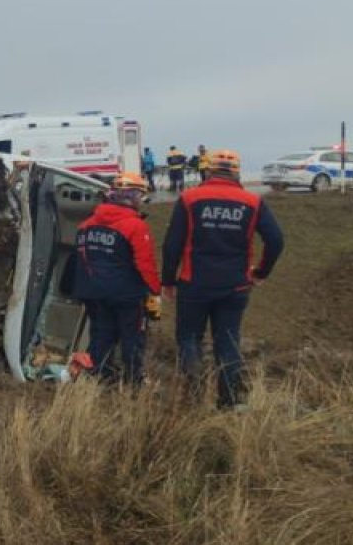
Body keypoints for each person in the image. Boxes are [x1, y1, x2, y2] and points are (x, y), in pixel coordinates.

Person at [161, 149, 283, 409]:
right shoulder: (252, 201)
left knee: (189, 337)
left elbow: (172, 244)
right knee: (228, 340)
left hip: (194, 283)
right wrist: (261, 272)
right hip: (235, 285)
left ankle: (193, 394)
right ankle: (229, 402)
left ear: (208, 170)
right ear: (236, 172)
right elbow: (276, 241)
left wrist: (168, 281)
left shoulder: (190, 198)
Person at [71, 172, 161, 384]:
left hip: (93, 292)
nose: (141, 200)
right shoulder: (135, 226)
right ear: (133, 196)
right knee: (132, 338)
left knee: (101, 336)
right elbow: (145, 264)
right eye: (140, 195)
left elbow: (81, 259)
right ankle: (133, 383)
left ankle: (101, 379)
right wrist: (155, 291)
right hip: (126, 295)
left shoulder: (85, 226)